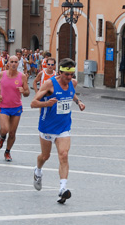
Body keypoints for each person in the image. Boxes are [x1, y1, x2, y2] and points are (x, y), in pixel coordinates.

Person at [31, 58, 85, 204]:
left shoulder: (72, 83)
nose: (70, 78)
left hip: (63, 127)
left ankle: (62, 189)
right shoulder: (49, 84)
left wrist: (78, 101)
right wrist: (46, 103)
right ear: (60, 72)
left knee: (64, 155)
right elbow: (33, 103)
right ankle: (37, 170)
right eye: (67, 75)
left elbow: (71, 93)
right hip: (47, 126)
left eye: (72, 74)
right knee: (45, 156)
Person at [0, 55, 30, 162]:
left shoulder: (22, 76)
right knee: (4, 129)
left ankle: (7, 151)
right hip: (4, 106)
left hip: (16, 107)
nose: (13, 64)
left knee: (12, 133)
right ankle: (2, 137)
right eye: (11, 62)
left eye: (15, 62)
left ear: (18, 64)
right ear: (8, 63)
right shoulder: (1, 75)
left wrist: (24, 91)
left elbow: (27, 93)